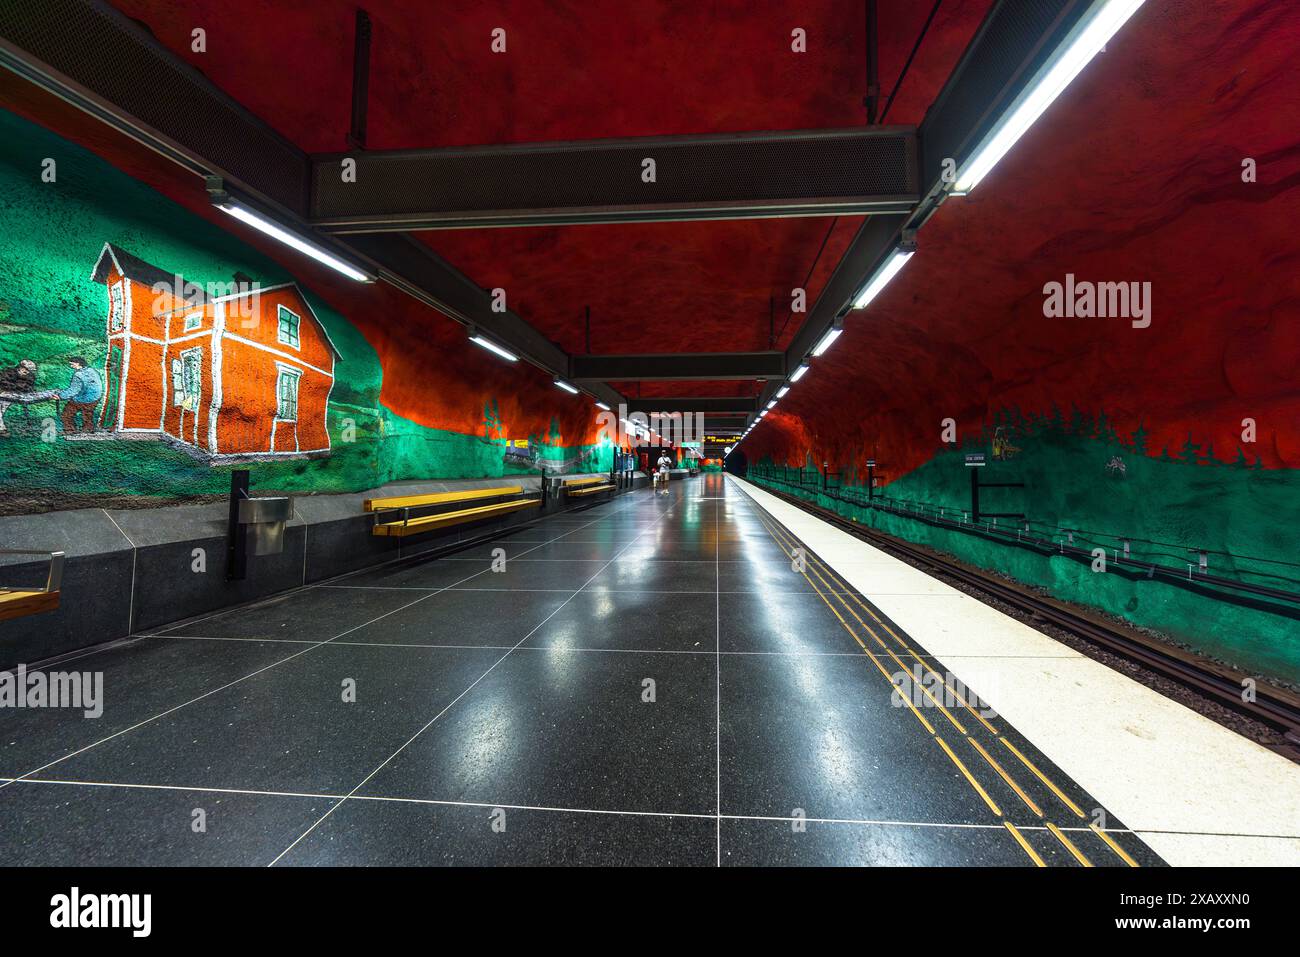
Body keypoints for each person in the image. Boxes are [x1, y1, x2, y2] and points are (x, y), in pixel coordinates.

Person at [57, 356, 104, 435]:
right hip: (96, 397)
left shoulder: (78, 375)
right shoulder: (92, 370)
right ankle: (88, 429)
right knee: (87, 414)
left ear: (78, 363)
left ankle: (70, 430)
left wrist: (60, 396)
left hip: (83, 399)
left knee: (66, 413)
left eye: (72, 364)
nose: (71, 366)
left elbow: (73, 390)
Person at [0, 358, 37, 437]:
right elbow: (3, 382)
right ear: (20, 367)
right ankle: (2, 429)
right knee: (1, 408)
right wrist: (17, 386)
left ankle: (2, 429)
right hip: (6, 393)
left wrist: (15, 387)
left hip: (20, 395)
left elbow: (28, 388)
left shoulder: (31, 376)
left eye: (29, 370)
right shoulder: (9, 372)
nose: (26, 371)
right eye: (25, 369)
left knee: (2, 406)